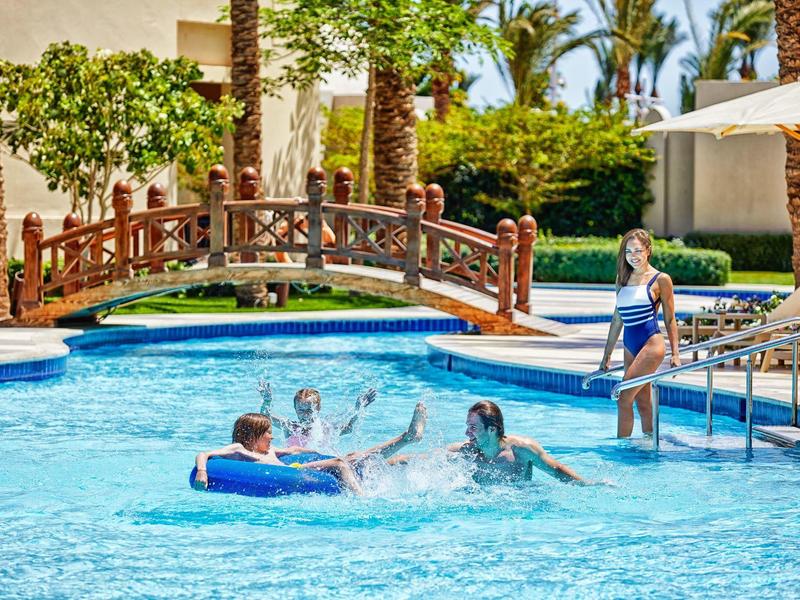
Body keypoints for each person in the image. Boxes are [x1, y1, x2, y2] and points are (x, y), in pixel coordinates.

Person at [194, 402, 427, 495]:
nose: (272, 435)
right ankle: (362, 500)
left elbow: (295, 453)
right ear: (252, 434)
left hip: (298, 466)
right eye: (267, 432)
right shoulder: (240, 450)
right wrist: (203, 472)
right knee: (339, 464)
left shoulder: (270, 451)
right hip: (294, 471)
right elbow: (204, 454)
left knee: (353, 456)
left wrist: (317, 452)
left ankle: (407, 437)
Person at [599, 228, 681, 438]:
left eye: (637, 250)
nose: (633, 256)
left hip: (651, 344)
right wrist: (606, 355)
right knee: (642, 402)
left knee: (623, 396)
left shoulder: (661, 279)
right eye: (628, 251)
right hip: (629, 345)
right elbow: (617, 318)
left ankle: (621, 450)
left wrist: (676, 354)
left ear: (648, 250)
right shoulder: (622, 278)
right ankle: (649, 445)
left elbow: (670, 318)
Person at [390, 400, 586, 485]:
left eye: (473, 428)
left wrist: (588, 485)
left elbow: (557, 470)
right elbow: (418, 460)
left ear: (492, 429)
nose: (467, 433)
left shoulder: (521, 450)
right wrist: (379, 465)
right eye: (468, 426)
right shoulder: (465, 452)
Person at [257, 380, 377, 448]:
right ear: (295, 408)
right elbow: (265, 417)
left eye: (309, 410)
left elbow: (349, 428)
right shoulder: (290, 427)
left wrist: (358, 409)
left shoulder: (326, 427)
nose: (305, 415)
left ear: (318, 408)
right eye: (301, 411)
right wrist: (267, 401)